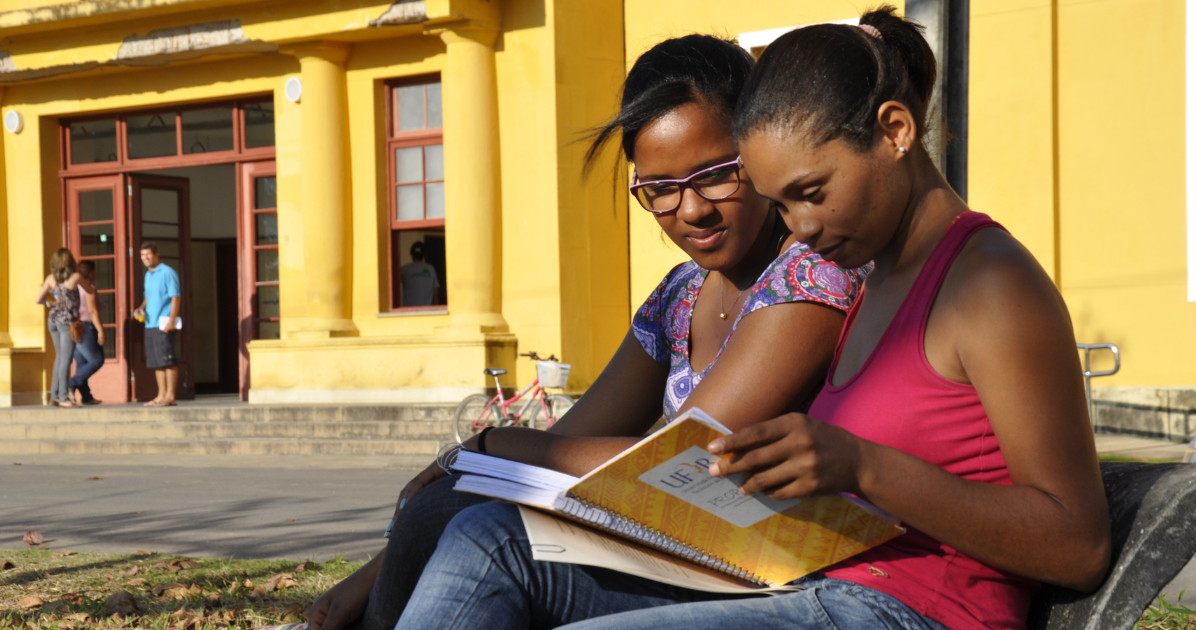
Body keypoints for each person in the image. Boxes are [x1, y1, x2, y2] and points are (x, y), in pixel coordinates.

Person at [395, 8, 1111, 630]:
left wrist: (861, 464)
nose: (797, 228)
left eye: (811, 192)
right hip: (809, 587)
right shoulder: (872, 280)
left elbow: (1077, 547)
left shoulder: (989, 284)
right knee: (489, 542)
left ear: (895, 130)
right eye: (781, 203)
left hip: (909, 613)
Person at [303, 35, 868, 630]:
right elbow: (570, 444)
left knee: (484, 531)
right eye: (660, 189)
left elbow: (680, 463)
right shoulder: (681, 296)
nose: (692, 209)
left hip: (773, 574)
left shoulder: (809, 274)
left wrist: (489, 445)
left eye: (717, 175)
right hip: (677, 550)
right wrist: (366, 578)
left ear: (758, 153)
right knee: (441, 506)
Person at [35, 248, 93, 408]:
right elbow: (90, 290)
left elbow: (38, 300)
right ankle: (63, 398)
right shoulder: (75, 277)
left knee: (60, 358)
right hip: (67, 323)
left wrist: (52, 301)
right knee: (66, 360)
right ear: (70, 262)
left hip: (52, 320)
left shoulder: (50, 278)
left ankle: (54, 396)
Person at [132, 242, 181, 407]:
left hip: (164, 323)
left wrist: (171, 320)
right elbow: (148, 297)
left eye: (148, 254)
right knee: (156, 362)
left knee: (168, 360)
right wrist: (140, 308)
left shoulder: (167, 272)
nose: (145, 258)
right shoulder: (148, 275)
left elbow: (175, 297)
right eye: (142, 255)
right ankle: (161, 395)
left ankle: (170, 396)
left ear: (156, 254)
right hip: (149, 324)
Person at [67, 260, 106, 405]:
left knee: (82, 363)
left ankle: (87, 396)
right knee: (97, 360)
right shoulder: (89, 288)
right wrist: (100, 330)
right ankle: (71, 383)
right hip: (87, 327)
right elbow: (93, 311)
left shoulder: (73, 288)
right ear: (90, 273)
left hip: (75, 328)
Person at [399, 242, 439, 306]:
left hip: (408, 312)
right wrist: (437, 310)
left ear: (411, 254)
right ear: (424, 255)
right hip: (427, 312)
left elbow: (392, 287)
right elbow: (436, 293)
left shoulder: (404, 270)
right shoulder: (431, 269)